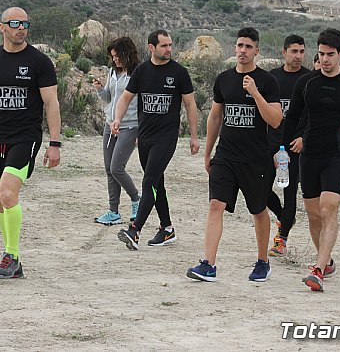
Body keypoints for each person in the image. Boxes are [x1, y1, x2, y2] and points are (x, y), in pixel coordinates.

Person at [0, 7, 61, 279]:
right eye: (15, 23)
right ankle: (10, 257)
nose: (21, 28)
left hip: (25, 136)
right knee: (1, 198)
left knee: (8, 193)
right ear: (3, 27)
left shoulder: (39, 62)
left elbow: (51, 103)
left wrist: (55, 143)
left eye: (25, 23)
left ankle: (12, 256)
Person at [282, 28, 340, 292]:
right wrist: (282, 150)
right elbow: (292, 120)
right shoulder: (307, 83)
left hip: (336, 155)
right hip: (308, 155)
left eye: (330, 54)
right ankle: (327, 260)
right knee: (313, 215)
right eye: (321, 54)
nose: (325, 59)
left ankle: (318, 270)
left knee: (328, 209)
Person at [186, 27, 282, 282]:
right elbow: (215, 116)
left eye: (248, 47)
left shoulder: (267, 81)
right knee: (215, 205)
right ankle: (208, 264)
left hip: (256, 159)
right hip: (225, 156)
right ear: (234, 48)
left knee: (258, 210)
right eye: (239, 45)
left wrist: (255, 93)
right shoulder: (224, 79)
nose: (243, 50)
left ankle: (263, 261)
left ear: (257, 51)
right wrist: (208, 152)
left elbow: (275, 120)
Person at [114, 29, 199, 250]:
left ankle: (135, 230)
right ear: (152, 47)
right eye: (164, 46)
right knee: (157, 183)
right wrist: (117, 119)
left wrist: (194, 136)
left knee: (149, 181)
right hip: (145, 138)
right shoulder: (142, 71)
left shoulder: (179, 72)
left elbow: (190, 105)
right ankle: (167, 229)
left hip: (166, 138)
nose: (169, 49)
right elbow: (125, 97)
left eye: (170, 45)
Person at [266, 35, 311, 257]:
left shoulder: (310, 79)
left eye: (302, 51)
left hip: (295, 146)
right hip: (271, 143)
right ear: (283, 52)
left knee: (290, 191)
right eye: (294, 51)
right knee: (260, 188)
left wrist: (304, 138)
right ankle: (285, 217)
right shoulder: (272, 78)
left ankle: (281, 239)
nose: (298, 56)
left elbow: (315, 114)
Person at [92, 37, 141, 225]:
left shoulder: (138, 73)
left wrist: (141, 131)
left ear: (126, 53)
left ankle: (136, 199)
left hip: (129, 126)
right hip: (109, 124)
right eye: (113, 56)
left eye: (118, 56)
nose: (115, 60)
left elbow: (141, 102)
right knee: (108, 170)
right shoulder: (113, 71)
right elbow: (109, 98)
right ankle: (113, 211)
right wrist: (99, 90)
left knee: (116, 167)